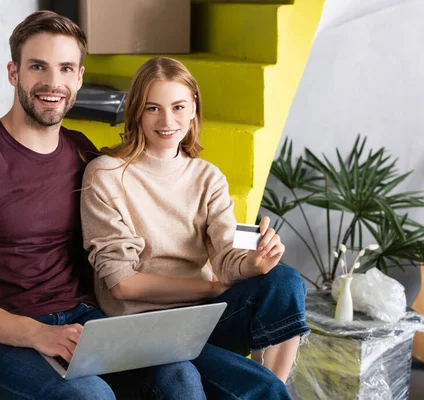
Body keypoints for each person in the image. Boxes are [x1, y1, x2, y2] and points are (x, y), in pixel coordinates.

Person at [0, 11, 244, 400]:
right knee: (90, 397)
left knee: (179, 379)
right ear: (13, 73)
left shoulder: (82, 153)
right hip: (1, 338)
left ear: (79, 77)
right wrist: (37, 333)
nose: (53, 83)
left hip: (87, 320)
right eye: (38, 66)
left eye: (66, 68)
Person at [80, 57, 310, 395]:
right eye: (152, 108)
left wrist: (253, 262)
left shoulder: (207, 178)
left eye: (178, 106)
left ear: (193, 109)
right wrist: (210, 290)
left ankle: (271, 381)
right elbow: (123, 285)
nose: (167, 120)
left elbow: (227, 259)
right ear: (136, 112)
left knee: (285, 281)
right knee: (202, 383)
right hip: (142, 331)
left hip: (203, 321)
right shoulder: (107, 174)